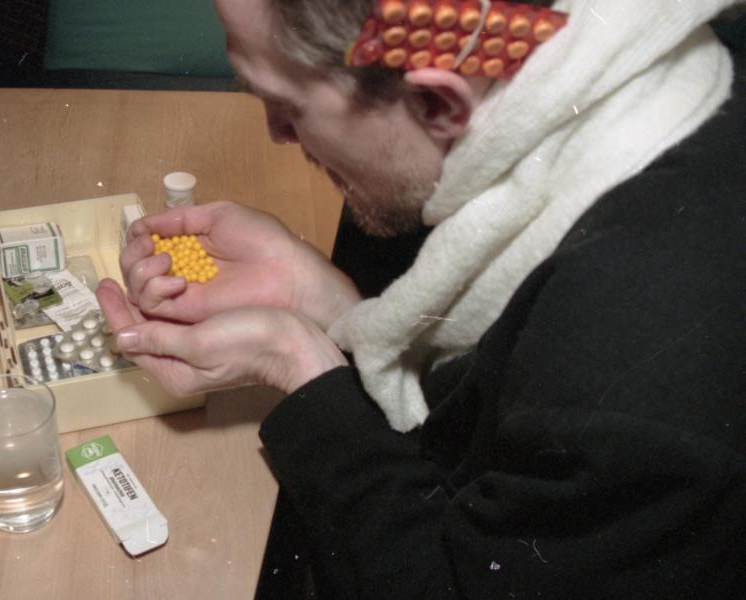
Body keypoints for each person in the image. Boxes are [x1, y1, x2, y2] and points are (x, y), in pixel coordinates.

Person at [97, 0, 746, 597]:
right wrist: (323, 300)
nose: (277, 134)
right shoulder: (651, 91)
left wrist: (296, 365)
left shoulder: (628, 375)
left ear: (437, 103)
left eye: (288, 105)